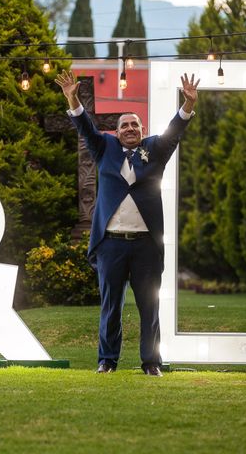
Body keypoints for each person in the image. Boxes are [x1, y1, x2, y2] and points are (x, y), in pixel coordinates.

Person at [55, 70, 199, 376]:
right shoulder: (104, 149)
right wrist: (72, 99)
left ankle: (151, 363)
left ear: (142, 129)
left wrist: (187, 106)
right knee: (111, 307)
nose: (130, 128)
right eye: (124, 125)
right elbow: (86, 128)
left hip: (146, 244)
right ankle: (107, 361)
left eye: (135, 124)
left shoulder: (155, 151)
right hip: (111, 244)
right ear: (117, 132)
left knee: (150, 308)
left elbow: (174, 132)